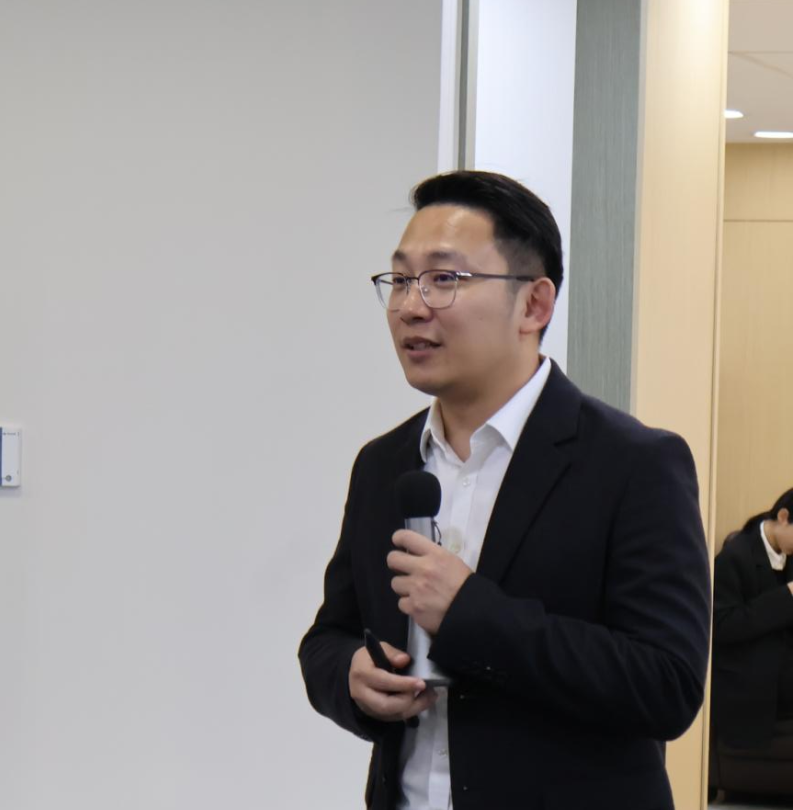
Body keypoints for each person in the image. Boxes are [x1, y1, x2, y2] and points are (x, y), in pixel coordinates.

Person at [297, 170, 711, 810]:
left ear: (534, 305)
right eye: (400, 280)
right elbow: (329, 638)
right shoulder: (383, 464)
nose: (410, 306)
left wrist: (471, 616)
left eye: (444, 279)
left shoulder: (634, 463)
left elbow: (667, 685)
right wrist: (349, 677)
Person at [712, 489, 793, 749]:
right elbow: (722, 625)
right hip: (750, 694)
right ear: (783, 517)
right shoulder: (735, 556)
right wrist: (787, 596)